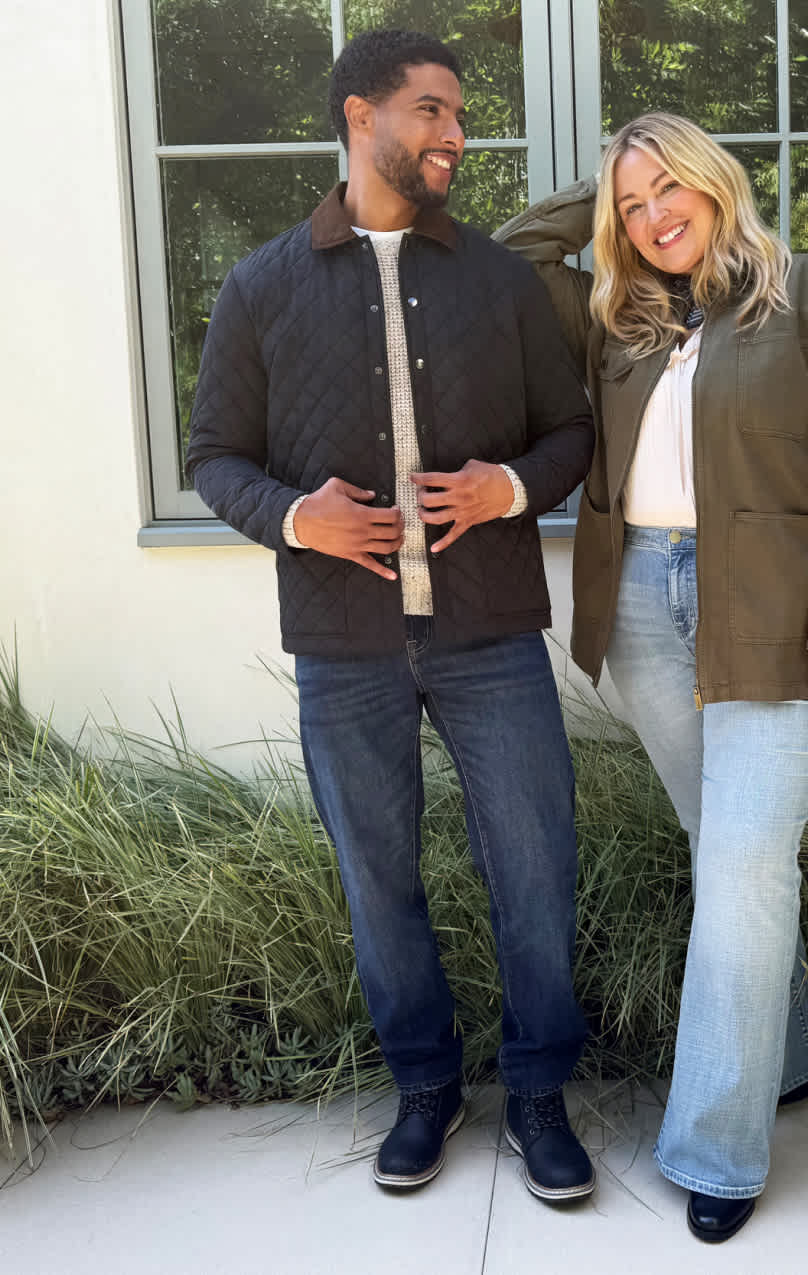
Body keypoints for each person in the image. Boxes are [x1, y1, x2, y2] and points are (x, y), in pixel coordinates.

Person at [186, 29, 597, 1203]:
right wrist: (293, 520)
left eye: (459, 117)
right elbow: (215, 456)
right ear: (361, 115)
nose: (455, 136)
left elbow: (569, 434)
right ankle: (425, 1088)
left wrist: (508, 487)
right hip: (343, 643)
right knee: (380, 879)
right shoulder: (261, 285)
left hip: (490, 633)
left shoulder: (498, 280)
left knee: (535, 865)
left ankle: (536, 1092)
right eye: (431, 111)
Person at [495, 112, 808, 1241]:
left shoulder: (807, 292)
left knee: (741, 867)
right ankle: (791, 1054)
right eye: (634, 206)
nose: (655, 215)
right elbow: (514, 250)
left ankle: (718, 1151)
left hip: (778, 612)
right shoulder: (615, 318)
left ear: (719, 182)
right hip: (641, 609)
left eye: (673, 187)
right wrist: (610, 181)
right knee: (732, 856)